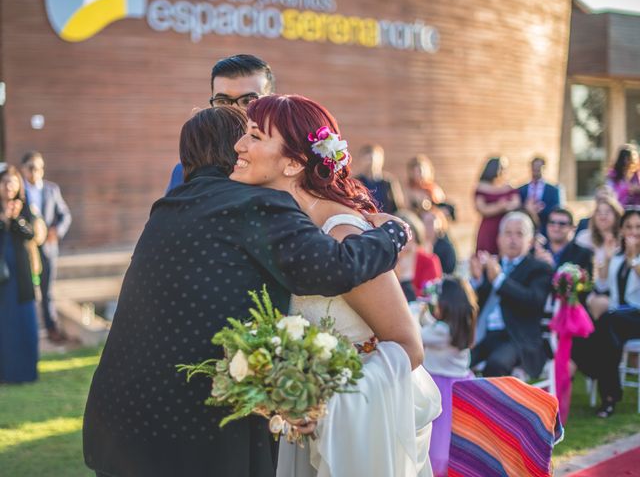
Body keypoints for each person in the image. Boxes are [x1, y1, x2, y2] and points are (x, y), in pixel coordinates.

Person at [83, 107, 411, 477]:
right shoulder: (255, 205)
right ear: (233, 153)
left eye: (255, 136)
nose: (245, 145)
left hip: (116, 425)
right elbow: (332, 270)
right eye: (247, 135)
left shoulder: (169, 208)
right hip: (196, 440)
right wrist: (394, 233)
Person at [230, 94, 441, 477]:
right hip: (310, 428)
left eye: (255, 136)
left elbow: (408, 347)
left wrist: (324, 399)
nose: (239, 146)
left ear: (294, 163)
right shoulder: (289, 228)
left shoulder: (345, 235)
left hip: (362, 428)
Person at [165, 54, 275, 192]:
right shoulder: (185, 171)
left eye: (248, 101)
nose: (234, 111)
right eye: (223, 102)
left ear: (272, 104)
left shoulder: (287, 166)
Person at [469, 211, 552, 378]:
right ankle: (459, 404)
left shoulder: (539, 268)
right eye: (508, 233)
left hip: (517, 337)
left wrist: (499, 279)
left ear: (530, 242)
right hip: (485, 335)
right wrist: (477, 280)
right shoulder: (491, 264)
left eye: (519, 234)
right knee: (458, 362)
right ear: (499, 239)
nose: (512, 239)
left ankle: (492, 405)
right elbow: (478, 303)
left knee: (496, 365)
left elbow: (533, 301)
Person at [580, 208, 640, 417]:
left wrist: (633, 260)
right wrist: (605, 259)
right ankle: (610, 395)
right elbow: (603, 286)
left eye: (638, 227)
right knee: (606, 335)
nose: (633, 232)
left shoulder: (634, 258)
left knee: (603, 326)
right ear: (621, 230)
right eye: (629, 227)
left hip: (636, 315)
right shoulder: (616, 256)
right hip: (616, 318)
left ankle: (605, 389)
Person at [421, 277, 477, 477]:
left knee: (438, 441)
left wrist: (413, 312)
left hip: (440, 387)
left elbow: (417, 334)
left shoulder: (440, 332)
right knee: (456, 438)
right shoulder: (460, 326)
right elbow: (432, 329)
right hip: (461, 385)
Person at [20, 150, 72, 342]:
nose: (35, 172)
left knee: (47, 291)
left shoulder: (52, 190)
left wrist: (56, 232)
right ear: (23, 169)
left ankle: (52, 329)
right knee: (27, 291)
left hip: (48, 249)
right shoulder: (19, 192)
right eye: (31, 168)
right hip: (26, 251)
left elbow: (65, 215)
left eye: (39, 168)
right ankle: (28, 330)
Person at [0, 166, 38, 383]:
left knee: (24, 322)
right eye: (4, 181)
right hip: (1, 278)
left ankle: (25, 372)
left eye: (13, 181)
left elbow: (30, 233)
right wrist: (3, 220)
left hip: (20, 276)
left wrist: (15, 219)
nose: (8, 186)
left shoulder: (23, 208)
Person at [574, 196, 623, 320]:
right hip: (588, 290)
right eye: (599, 212)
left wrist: (608, 258)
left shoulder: (623, 241)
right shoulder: (583, 238)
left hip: (616, 290)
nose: (603, 216)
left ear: (616, 215)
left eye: (607, 212)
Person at [474, 156, 521, 255]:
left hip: (506, 226)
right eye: (501, 168)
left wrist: (504, 206)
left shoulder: (509, 186)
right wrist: (500, 206)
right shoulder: (481, 187)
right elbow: (482, 208)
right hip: (489, 227)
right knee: (486, 254)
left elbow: (516, 203)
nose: (503, 171)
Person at [394, 209, 442, 301]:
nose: (403, 236)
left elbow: (430, 296)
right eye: (399, 232)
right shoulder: (389, 263)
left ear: (416, 233)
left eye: (407, 231)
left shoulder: (429, 261)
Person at [518, 156, 562, 235]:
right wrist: (527, 209)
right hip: (525, 229)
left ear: (544, 168)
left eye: (539, 167)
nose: (536, 169)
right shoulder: (522, 189)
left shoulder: (553, 190)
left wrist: (539, 209)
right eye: (534, 166)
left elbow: (557, 209)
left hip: (546, 230)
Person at [355, 144, 405, 213]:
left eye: (372, 159)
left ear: (381, 160)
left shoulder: (388, 182)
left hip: (386, 220)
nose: (370, 163)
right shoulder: (356, 182)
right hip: (362, 220)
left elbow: (398, 208)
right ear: (361, 161)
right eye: (367, 159)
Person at [422, 206, 457, 274]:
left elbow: (449, 270)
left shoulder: (446, 247)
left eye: (430, 222)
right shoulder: (419, 245)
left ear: (439, 225)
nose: (426, 226)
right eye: (424, 223)